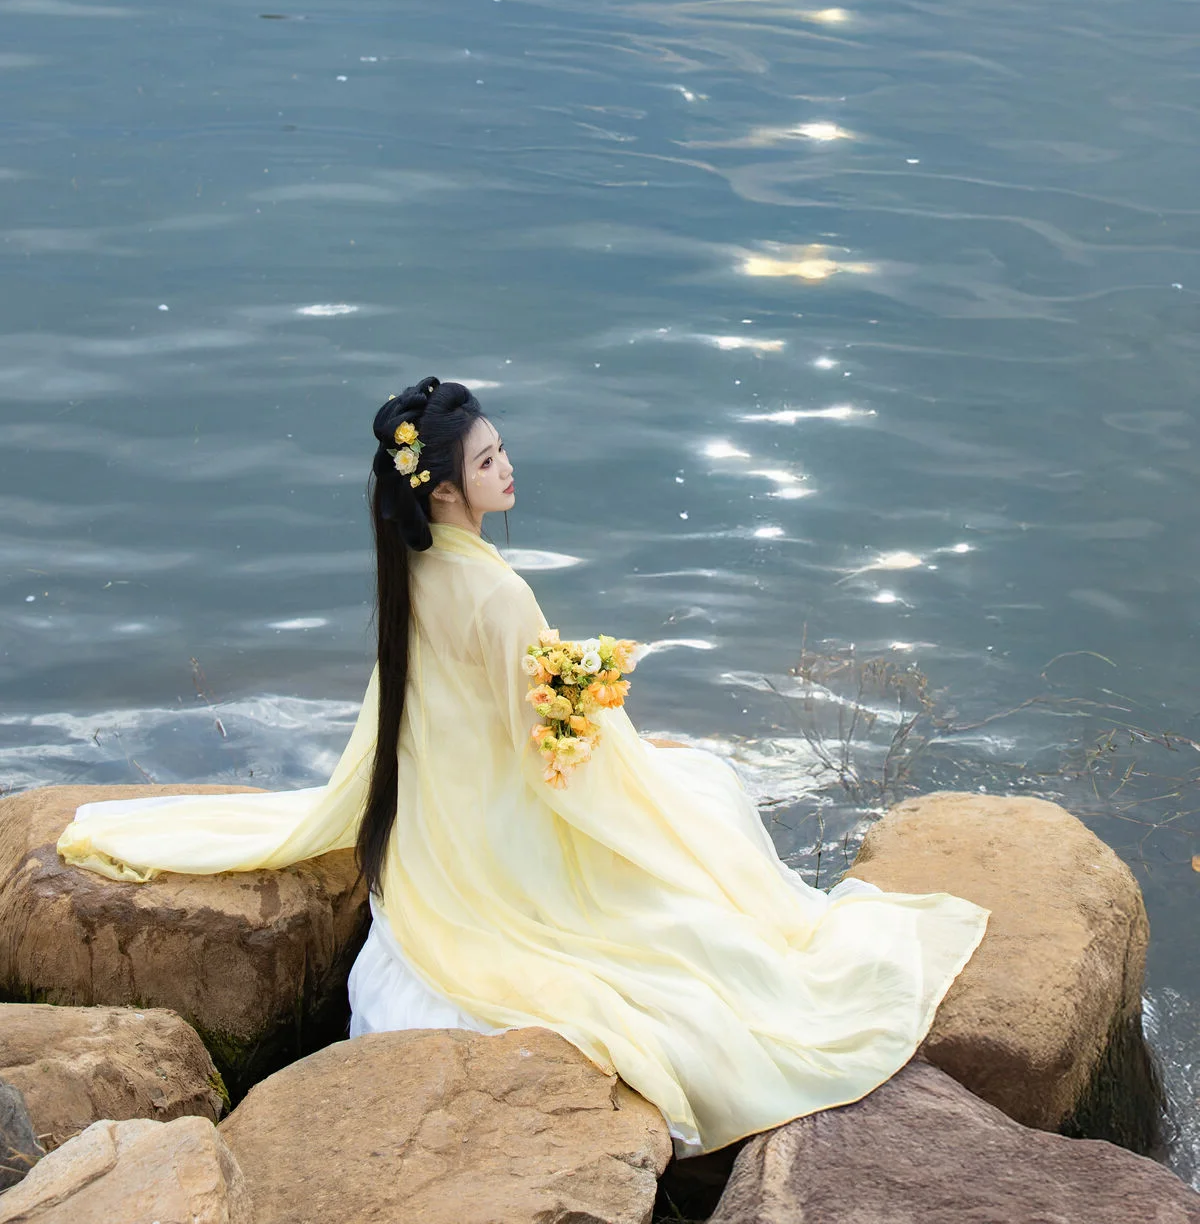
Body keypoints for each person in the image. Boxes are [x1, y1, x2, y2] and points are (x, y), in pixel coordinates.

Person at [57, 375, 988, 1155]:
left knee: (695, 790)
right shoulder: (496, 591)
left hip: (434, 809)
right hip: (491, 818)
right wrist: (594, 698)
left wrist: (568, 681)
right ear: (445, 492)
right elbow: (543, 740)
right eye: (487, 461)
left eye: (501, 450)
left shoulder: (415, 568)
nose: (508, 468)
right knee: (701, 814)